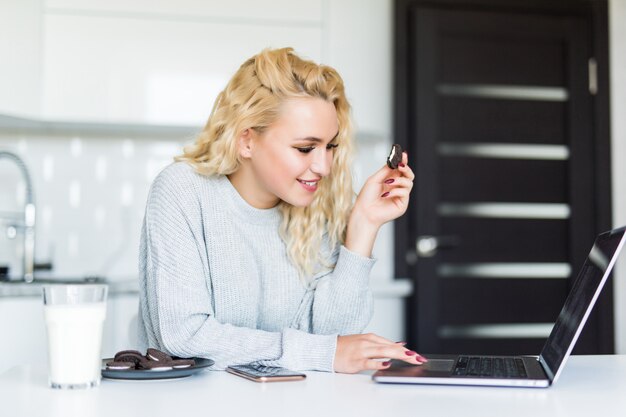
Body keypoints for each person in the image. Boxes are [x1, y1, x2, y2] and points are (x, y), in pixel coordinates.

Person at [137, 47, 426, 373]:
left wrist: (363, 226)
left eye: (330, 147)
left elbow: (336, 340)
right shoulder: (181, 191)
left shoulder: (319, 204)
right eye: (305, 148)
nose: (324, 167)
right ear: (246, 140)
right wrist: (322, 353)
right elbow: (185, 337)